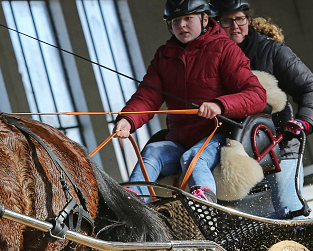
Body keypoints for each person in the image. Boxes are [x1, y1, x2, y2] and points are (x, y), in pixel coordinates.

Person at [113, 0, 266, 203]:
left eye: (188, 19)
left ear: (204, 19)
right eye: (176, 21)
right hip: (180, 140)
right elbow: (147, 95)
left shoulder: (225, 49)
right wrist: (128, 120)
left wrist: (219, 105)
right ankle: (133, 202)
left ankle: (205, 205)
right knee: (152, 151)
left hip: (218, 136)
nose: (182, 25)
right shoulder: (163, 57)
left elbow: (257, 95)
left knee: (193, 158)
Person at [213, 0, 313, 216]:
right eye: (227, 21)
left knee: (287, 213)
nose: (235, 26)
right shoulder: (209, 61)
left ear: (248, 19)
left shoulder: (272, 51)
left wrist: (304, 122)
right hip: (234, 157)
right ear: (215, 25)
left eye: (240, 19)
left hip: (280, 148)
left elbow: (311, 88)